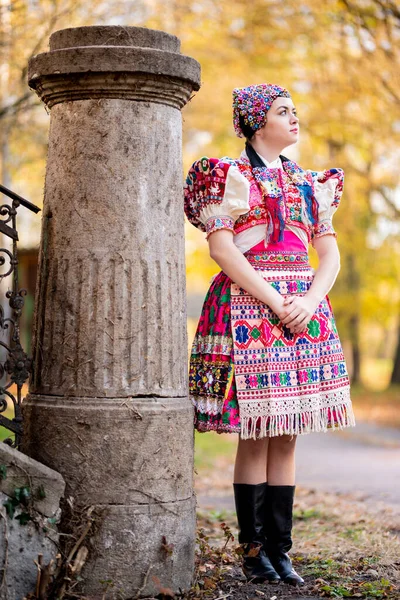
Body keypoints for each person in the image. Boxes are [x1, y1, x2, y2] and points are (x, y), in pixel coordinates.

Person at [184, 83, 356, 586]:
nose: (295, 118)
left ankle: (282, 551)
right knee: (255, 434)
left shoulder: (311, 183)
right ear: (258, 122)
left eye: (296, 110)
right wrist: (275, 300)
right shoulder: (228, 176)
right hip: (250, 305)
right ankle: (254, 552)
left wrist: (309, 300)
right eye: (284, 111)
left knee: (286, 434)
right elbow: (223, 251)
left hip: (303, 312)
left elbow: (330, 255)